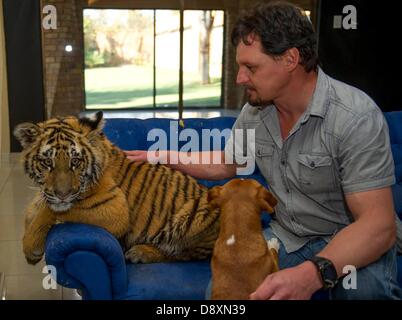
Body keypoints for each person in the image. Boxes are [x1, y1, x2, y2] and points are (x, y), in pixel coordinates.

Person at [125, 1, 402, 299]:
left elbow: (377, 224)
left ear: (290, 59)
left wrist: (311, 275)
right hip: (288, 237)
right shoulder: (255, 114)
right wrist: (163, 156)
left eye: (251, 67)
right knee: (225, 295)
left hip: (350, 238)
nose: (239, 78)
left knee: (363, 293)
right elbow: (227, 164)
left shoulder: (354, 116)